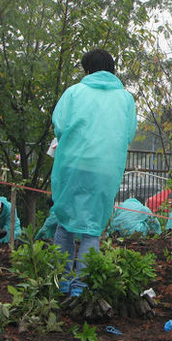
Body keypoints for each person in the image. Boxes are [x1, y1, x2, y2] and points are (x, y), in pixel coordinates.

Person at [50, 49, 137, 297]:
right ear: (111, 69)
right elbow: (128, 133)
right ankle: (80, 287)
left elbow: (60, 126)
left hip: (73, 163)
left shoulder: (74, 93)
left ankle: (60, 282)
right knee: (92, 228)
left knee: (65, 222)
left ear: (87, 70)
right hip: (105, 168)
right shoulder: (125, 99)